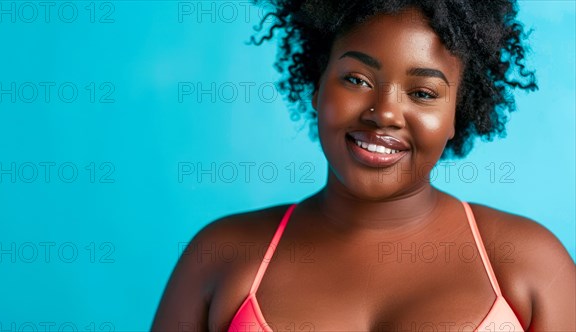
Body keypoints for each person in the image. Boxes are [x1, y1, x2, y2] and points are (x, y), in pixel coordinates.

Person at [152, 1, 575, 331]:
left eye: (424, 92)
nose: (384, 113)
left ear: (456, 116)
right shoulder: (220, 257)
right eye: (357, 79)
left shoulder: (529, 263)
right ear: (318, 87)